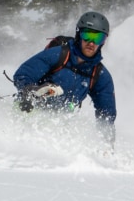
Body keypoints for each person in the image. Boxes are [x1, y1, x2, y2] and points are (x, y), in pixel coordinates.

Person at [13, 11, 116, 144]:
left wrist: (107, 144)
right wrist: (28, 91)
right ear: (79, 34)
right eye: (87, 35)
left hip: (61, 123)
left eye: (98, 38)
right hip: (30, 109)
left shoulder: (99, 74)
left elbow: (107, 114)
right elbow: (23, 74)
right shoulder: (58, 54)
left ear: (103, 42)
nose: (91, 43)